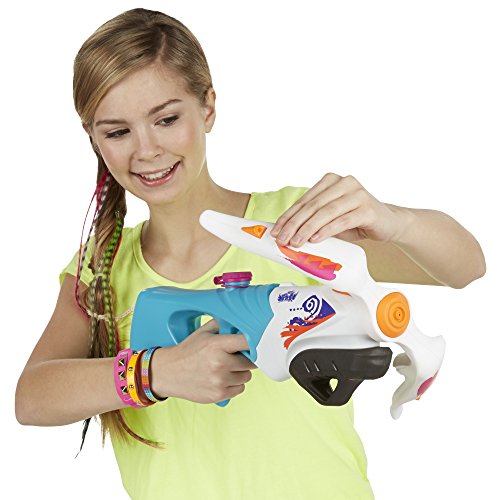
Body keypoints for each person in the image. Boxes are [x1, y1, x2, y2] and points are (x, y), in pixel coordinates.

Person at [14, 7, 486, 500]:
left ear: (208, 107)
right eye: (117, 132)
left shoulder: (296, 226)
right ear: (93, 137)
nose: (146, 149)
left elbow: (466, 267)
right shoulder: (101, 266)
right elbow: (32, 398)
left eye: (167, 119)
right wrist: (155, 372)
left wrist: (395, 221)